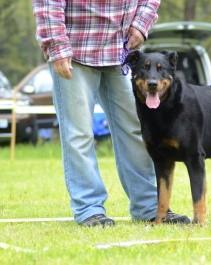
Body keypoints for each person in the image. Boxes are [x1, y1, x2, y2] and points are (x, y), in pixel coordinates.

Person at [32, 0, 190, 227]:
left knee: (137, 129)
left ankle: (150, 207)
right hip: (76, 49)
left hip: (121, 50)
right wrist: (56, 46)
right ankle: (89, 210)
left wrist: (140, 23)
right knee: (79, 134)